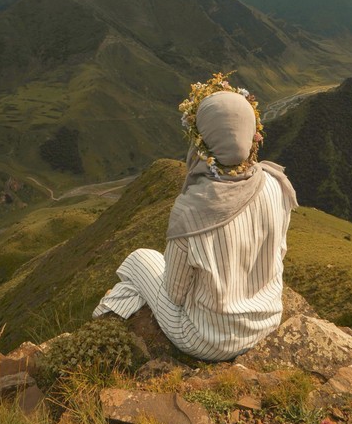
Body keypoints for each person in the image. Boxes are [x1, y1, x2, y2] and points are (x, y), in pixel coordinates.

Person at [92, 73, 297, 361]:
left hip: (205, 339)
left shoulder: (193, 209)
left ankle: (108, 321)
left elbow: (174, 294)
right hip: (266, 322)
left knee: (140, 259)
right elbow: (279, 253)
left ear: (203, 140)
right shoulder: (276, 184)